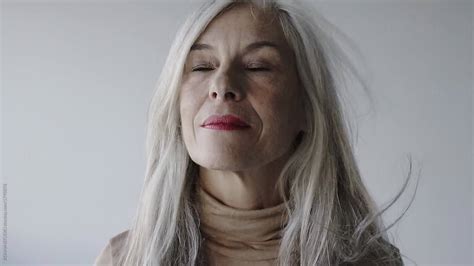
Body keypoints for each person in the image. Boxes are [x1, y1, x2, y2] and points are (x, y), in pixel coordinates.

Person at [95, 0, 409, 265]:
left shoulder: (373, 261)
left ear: (307, 108)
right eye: (202, 66)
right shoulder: (126, 259)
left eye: (258, 66)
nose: (222, 86)